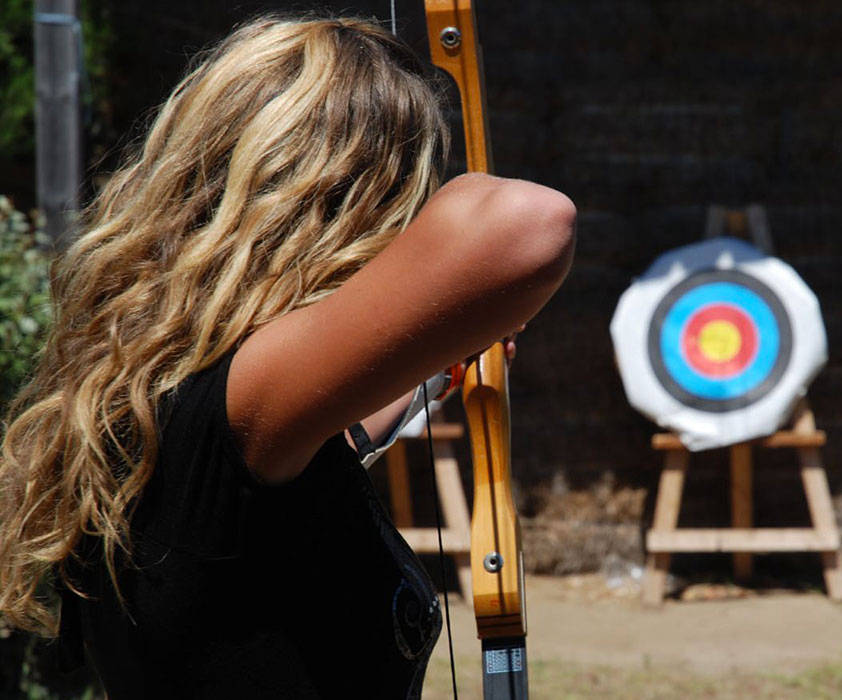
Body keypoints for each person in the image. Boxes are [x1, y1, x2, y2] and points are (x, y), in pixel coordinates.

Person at [0, 15, 575, 699]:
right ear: (351, 202)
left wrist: (432, 366)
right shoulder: (236, 397)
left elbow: (306, 470)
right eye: (406, 197)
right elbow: (527, 223)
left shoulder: (166, 393)